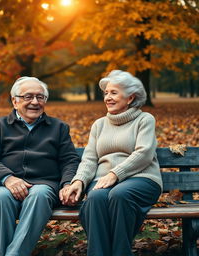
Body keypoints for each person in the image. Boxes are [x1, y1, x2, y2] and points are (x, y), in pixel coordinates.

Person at [60, 70, 163, 256]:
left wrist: (115, 174)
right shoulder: (99, 124)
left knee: (119, 194)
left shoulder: (144, 119)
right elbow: (90, 159)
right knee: (95, 198)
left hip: (142, 179)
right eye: (106, 93)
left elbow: (145, 153)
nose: (107, 97)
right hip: (104, 182)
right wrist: (79, 181)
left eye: (113, 93)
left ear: (130, 98)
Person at [0, 76, 80, 256]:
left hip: (44, 185)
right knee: (0, 198)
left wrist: (67, 184)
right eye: (28, 97)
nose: (35, 102)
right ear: (14, 101)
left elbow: (69, 160)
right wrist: (7, 178)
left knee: (39, 194)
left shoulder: (59, 127)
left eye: (40, 97)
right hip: (3, 186)